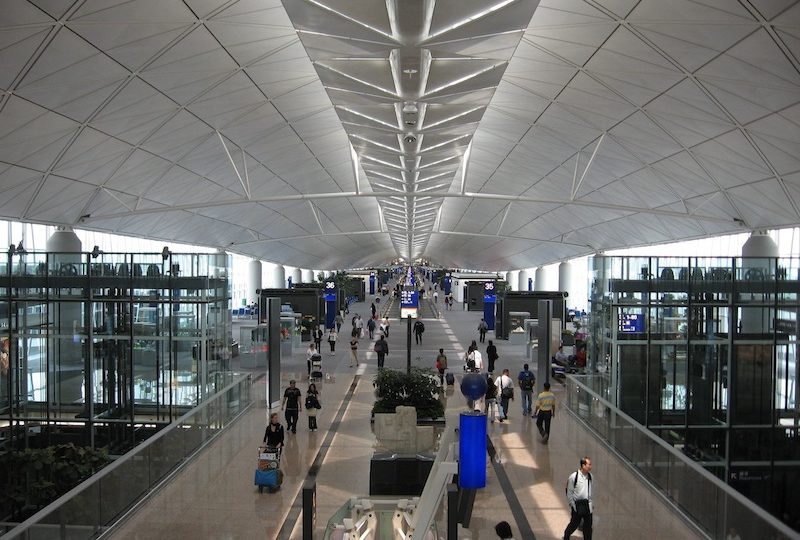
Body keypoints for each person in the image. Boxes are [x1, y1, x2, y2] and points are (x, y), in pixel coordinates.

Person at [564, 457, 593, 540]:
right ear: (583, 465)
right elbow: (569, 491)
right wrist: (572, 504)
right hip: (577, 505)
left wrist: (591, 504)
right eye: (589, 464)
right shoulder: (574, 476)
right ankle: (567, 535)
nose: (590, 466)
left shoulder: (591, 476)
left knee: (588, 527)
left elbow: (591, 491)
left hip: (587, 505)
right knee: (574, 523)